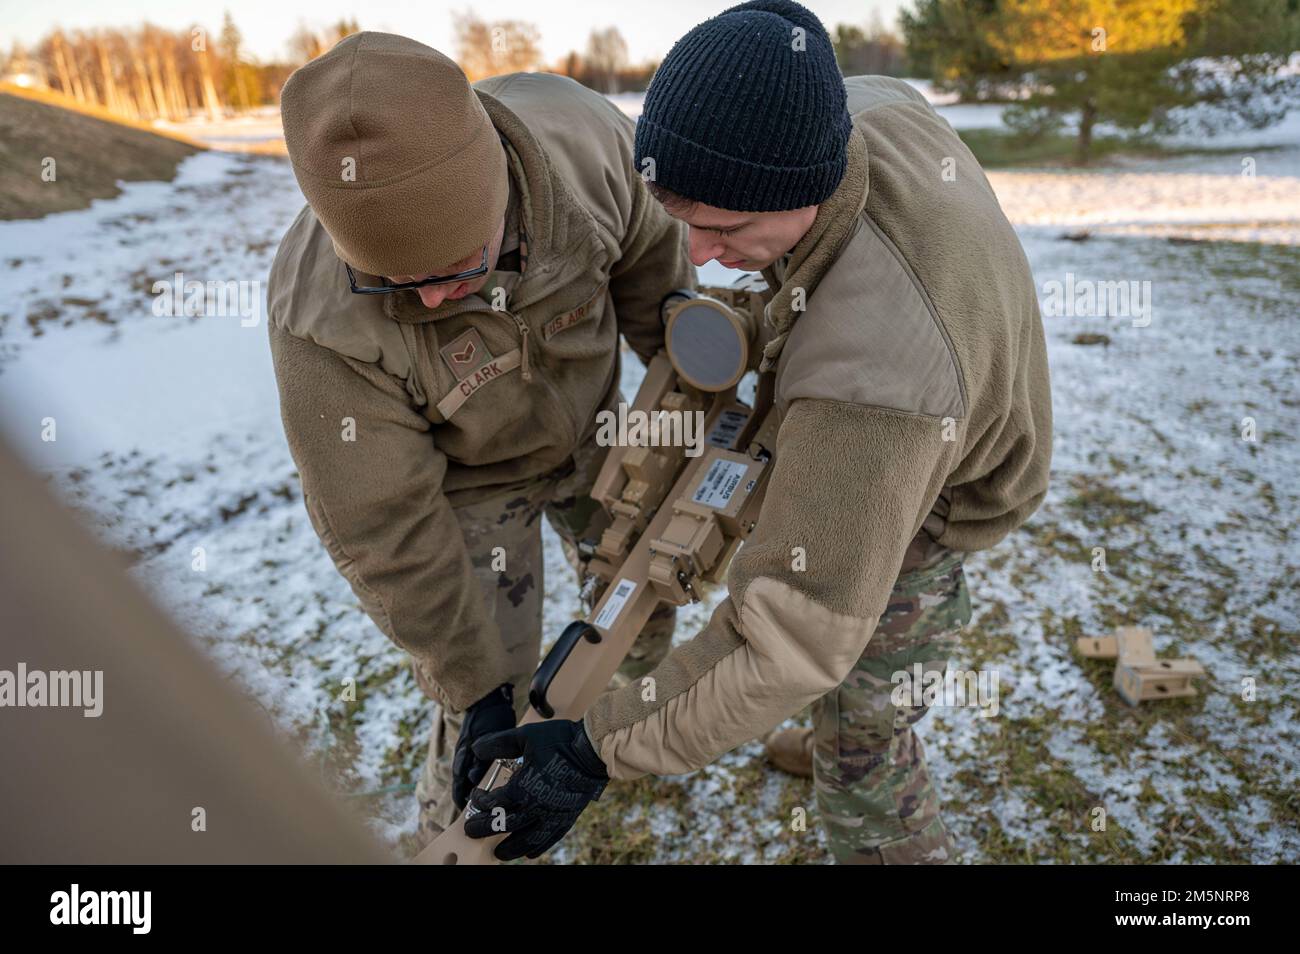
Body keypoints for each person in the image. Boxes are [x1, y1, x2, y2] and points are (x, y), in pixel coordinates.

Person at [465, 0, 1052, 864]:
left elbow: (790, 636)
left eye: (728, 228)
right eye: (682, 219)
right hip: (923, 389)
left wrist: (597, 748)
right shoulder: (865, 107)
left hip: (944, 492)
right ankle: (830, 722)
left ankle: (852, 749)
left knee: (863, 750)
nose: (697, 256)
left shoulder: (868, 380)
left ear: (802, 187)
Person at [265, 32, 694, 847]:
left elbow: (653, 268)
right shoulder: (319, 319)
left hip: (599, 426)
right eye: (397, 284)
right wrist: (473, 688)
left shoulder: (586, 148)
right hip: (469, 486)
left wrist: (681, 392)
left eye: (455, 272)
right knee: (486, 719)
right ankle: (457, 837)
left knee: (642, 600)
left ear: (501, 190)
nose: (431, 303)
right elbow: (381, 521)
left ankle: (631, 736)